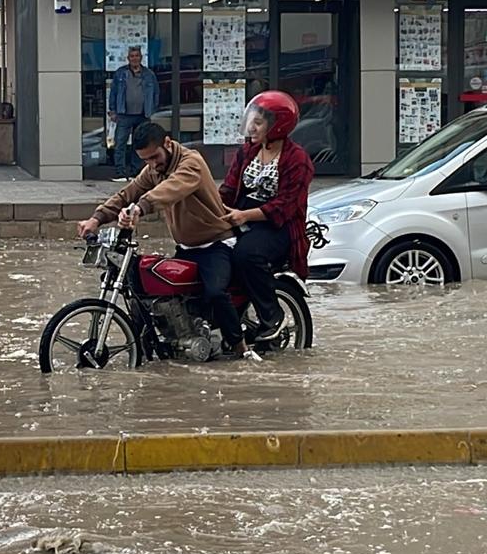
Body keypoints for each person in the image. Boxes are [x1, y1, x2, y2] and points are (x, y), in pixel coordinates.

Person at [76, 122, 255, 359]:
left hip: (216, 243)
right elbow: (129, 192)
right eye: (146, 160)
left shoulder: (191, 163)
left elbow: (171, 189)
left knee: (215, 293)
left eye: (154, 157)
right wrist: (96, 219)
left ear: (168, 143)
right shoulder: (154, 170)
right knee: (152, 292)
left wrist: (140, 208)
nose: (152, 164)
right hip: (186, 247)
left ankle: (240, 347)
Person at [219, 91, 313, 342]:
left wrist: (244, 216)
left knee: (246, 255)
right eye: (252, 120)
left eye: (259, 123)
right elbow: (228, 189)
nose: (252, 127)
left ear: (277, 126)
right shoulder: (246, 151)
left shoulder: (298, 159)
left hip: (277, 226)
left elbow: (285, 207)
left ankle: (272, 316)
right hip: (243, 214)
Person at [107, 46, 159, 182]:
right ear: (128, 58)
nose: (134, 58)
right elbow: (113, 93)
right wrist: (112, 110)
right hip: (124, 114)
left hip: (143, 114)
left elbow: (156, 94)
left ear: (141, 57)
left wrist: (152, 109)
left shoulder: (149, 74)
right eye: (132, 56)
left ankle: (136, 172)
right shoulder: (120, 73)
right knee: (120, 144)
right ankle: (120, 172)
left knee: (140, 144)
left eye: (137, 56)